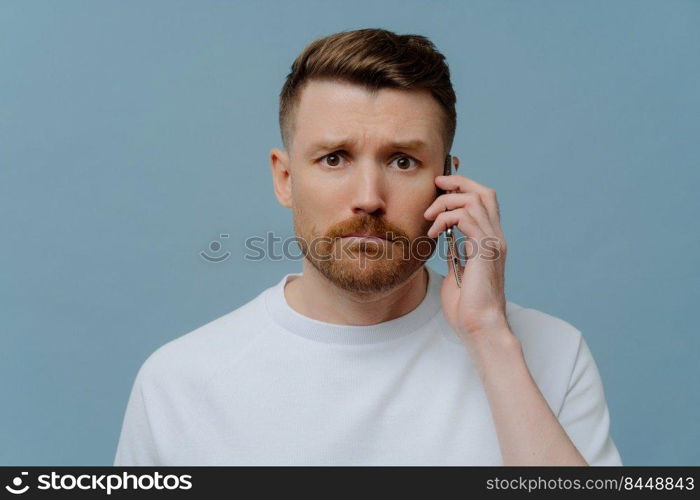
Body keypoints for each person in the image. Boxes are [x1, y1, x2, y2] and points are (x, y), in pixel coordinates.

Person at [113, 28, 622, 466]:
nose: (368, 199)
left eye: (402, 161)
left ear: (448, 183)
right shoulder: (179, 383)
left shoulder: (550, 354)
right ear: (285, 178)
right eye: (334, 159)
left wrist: (489, 337)